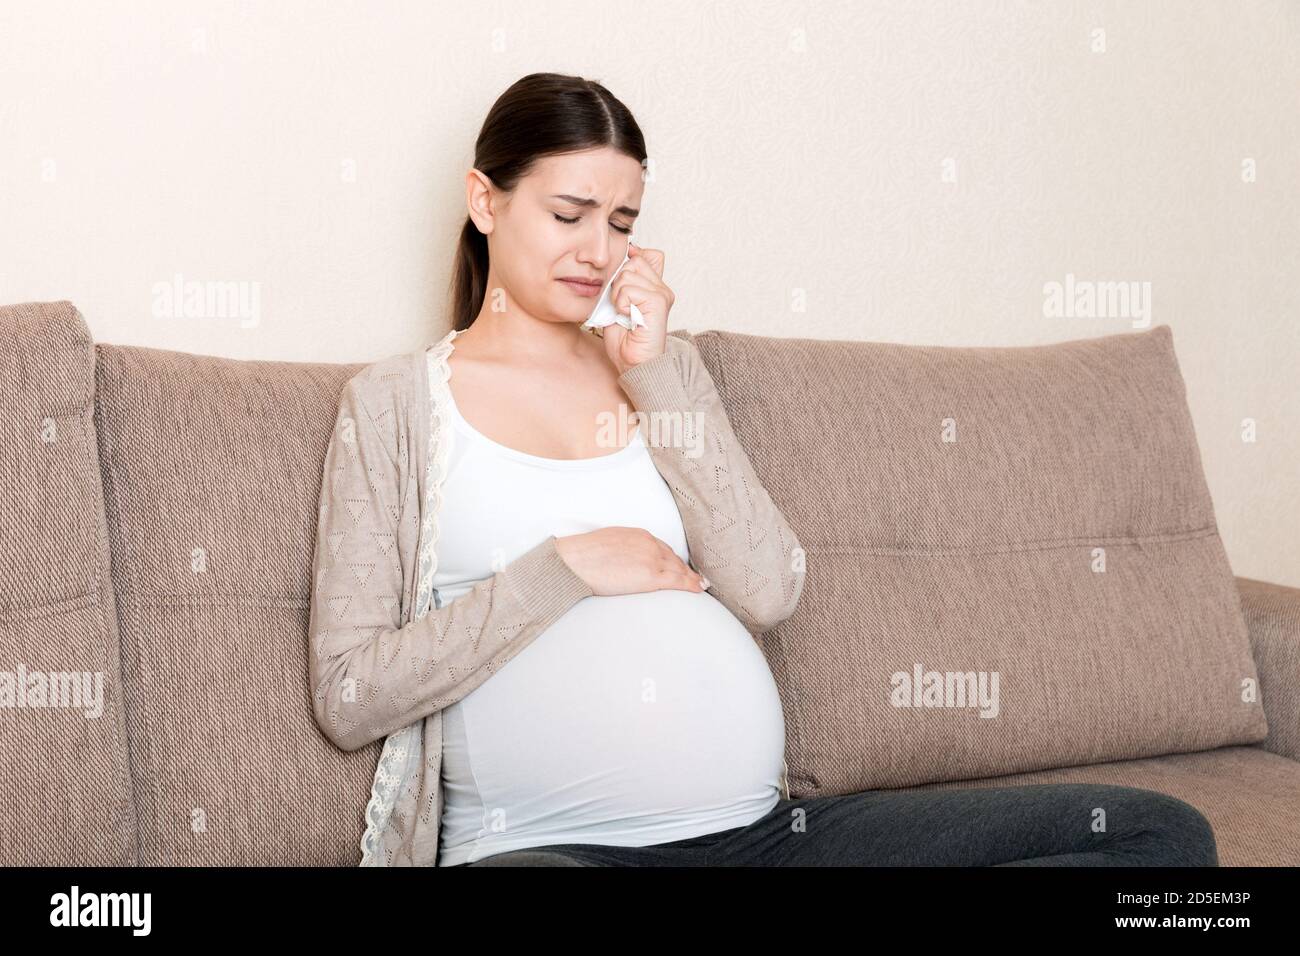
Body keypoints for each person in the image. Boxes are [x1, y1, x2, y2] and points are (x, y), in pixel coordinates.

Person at [328, 72, 1220, 867]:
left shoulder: (657, 378)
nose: (600, 252)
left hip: (764, 838)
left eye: (623, 223)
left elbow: (767, 585)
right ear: (485, 201)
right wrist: (562, 568)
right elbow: (351, 692)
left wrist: (655, 368)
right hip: (549, 849)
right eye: (568, 215)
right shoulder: (396, 408)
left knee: (1156, 835)